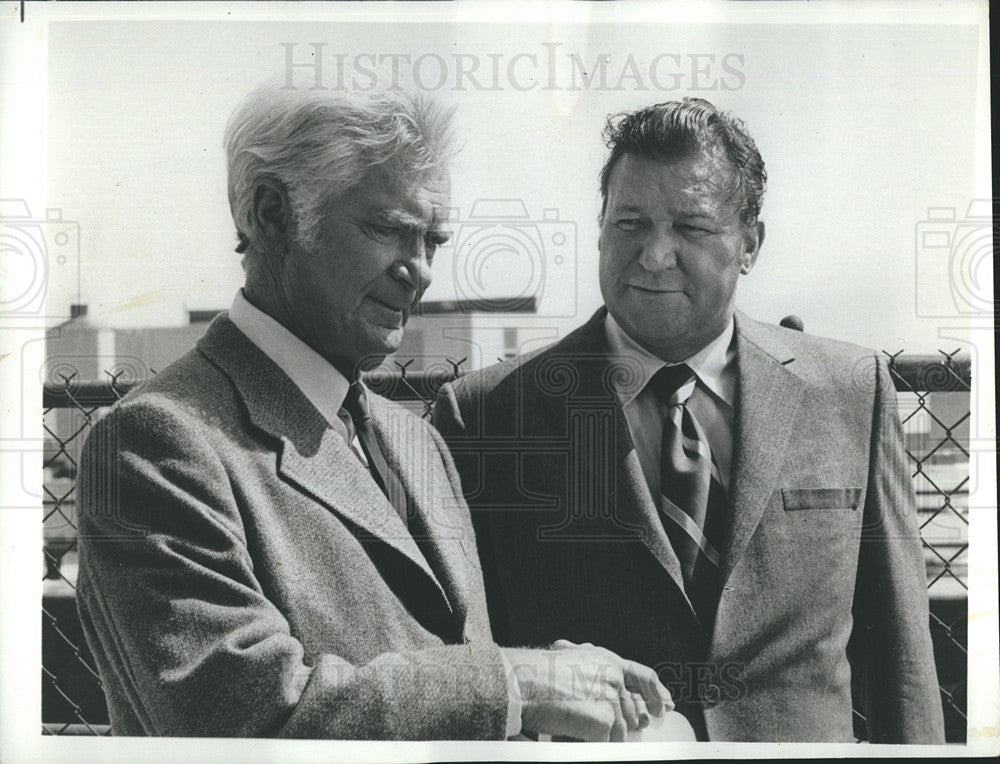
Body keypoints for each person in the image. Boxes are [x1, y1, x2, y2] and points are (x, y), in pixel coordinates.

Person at [74, 82, 676, 740]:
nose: (418, 270)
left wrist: (551, 692)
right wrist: (516, 686)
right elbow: (245, 720)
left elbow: (449, 673)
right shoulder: (155, 445)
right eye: (387, 229)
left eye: (433, 242)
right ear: (271, 215)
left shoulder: (415, 441)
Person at [434, 98, 945, 743]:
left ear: (750, 242)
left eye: (692, 227)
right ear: (598, 229)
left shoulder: (850, 393)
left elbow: (902, 654)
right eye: (629, 222)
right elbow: (466, 660)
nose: (653, 255)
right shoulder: (485, 414)